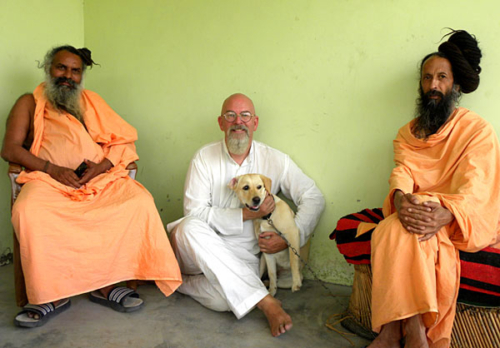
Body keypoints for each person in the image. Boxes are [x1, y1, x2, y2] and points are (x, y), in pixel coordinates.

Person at [1, 45, 182, 328]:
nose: (68, 76)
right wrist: (52, 169)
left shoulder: (91, 101)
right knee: (28, 210)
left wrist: (102, 166)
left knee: (138, 202)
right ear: (49, 68)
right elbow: (10, 149)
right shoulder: (29, 102)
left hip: (96, 180)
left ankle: (107, 286)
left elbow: (120, 141)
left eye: (75, 71)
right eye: (61, 68)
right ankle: (49, 295)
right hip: (47, 180)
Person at [367, 30, 500, 348]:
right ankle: (412, 333)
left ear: (455, 84)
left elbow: (478, 187)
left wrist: (447, 212)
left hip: (457, 218)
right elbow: (402, 173)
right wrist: (399, 200)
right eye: (427, 78)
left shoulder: (477, 130)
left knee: (398, 230)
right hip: (417, 212)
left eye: (441, 77)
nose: (433, 86)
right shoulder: (407, 133)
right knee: (391, 227)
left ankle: (394, 333)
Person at [167, 93, 325, 337]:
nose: (238, 121)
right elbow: (194, 213)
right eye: (230, 115)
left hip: (243, 257)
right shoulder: (203, 158)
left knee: (225, 301)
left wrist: (291, 238)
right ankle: (266, 302)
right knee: (189, 227)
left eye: (245, 116)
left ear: (255, 123)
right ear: (221, 123)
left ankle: (173, 280)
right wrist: (248, 215)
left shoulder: (276, 160)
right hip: (196, 249)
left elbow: (313, 197)